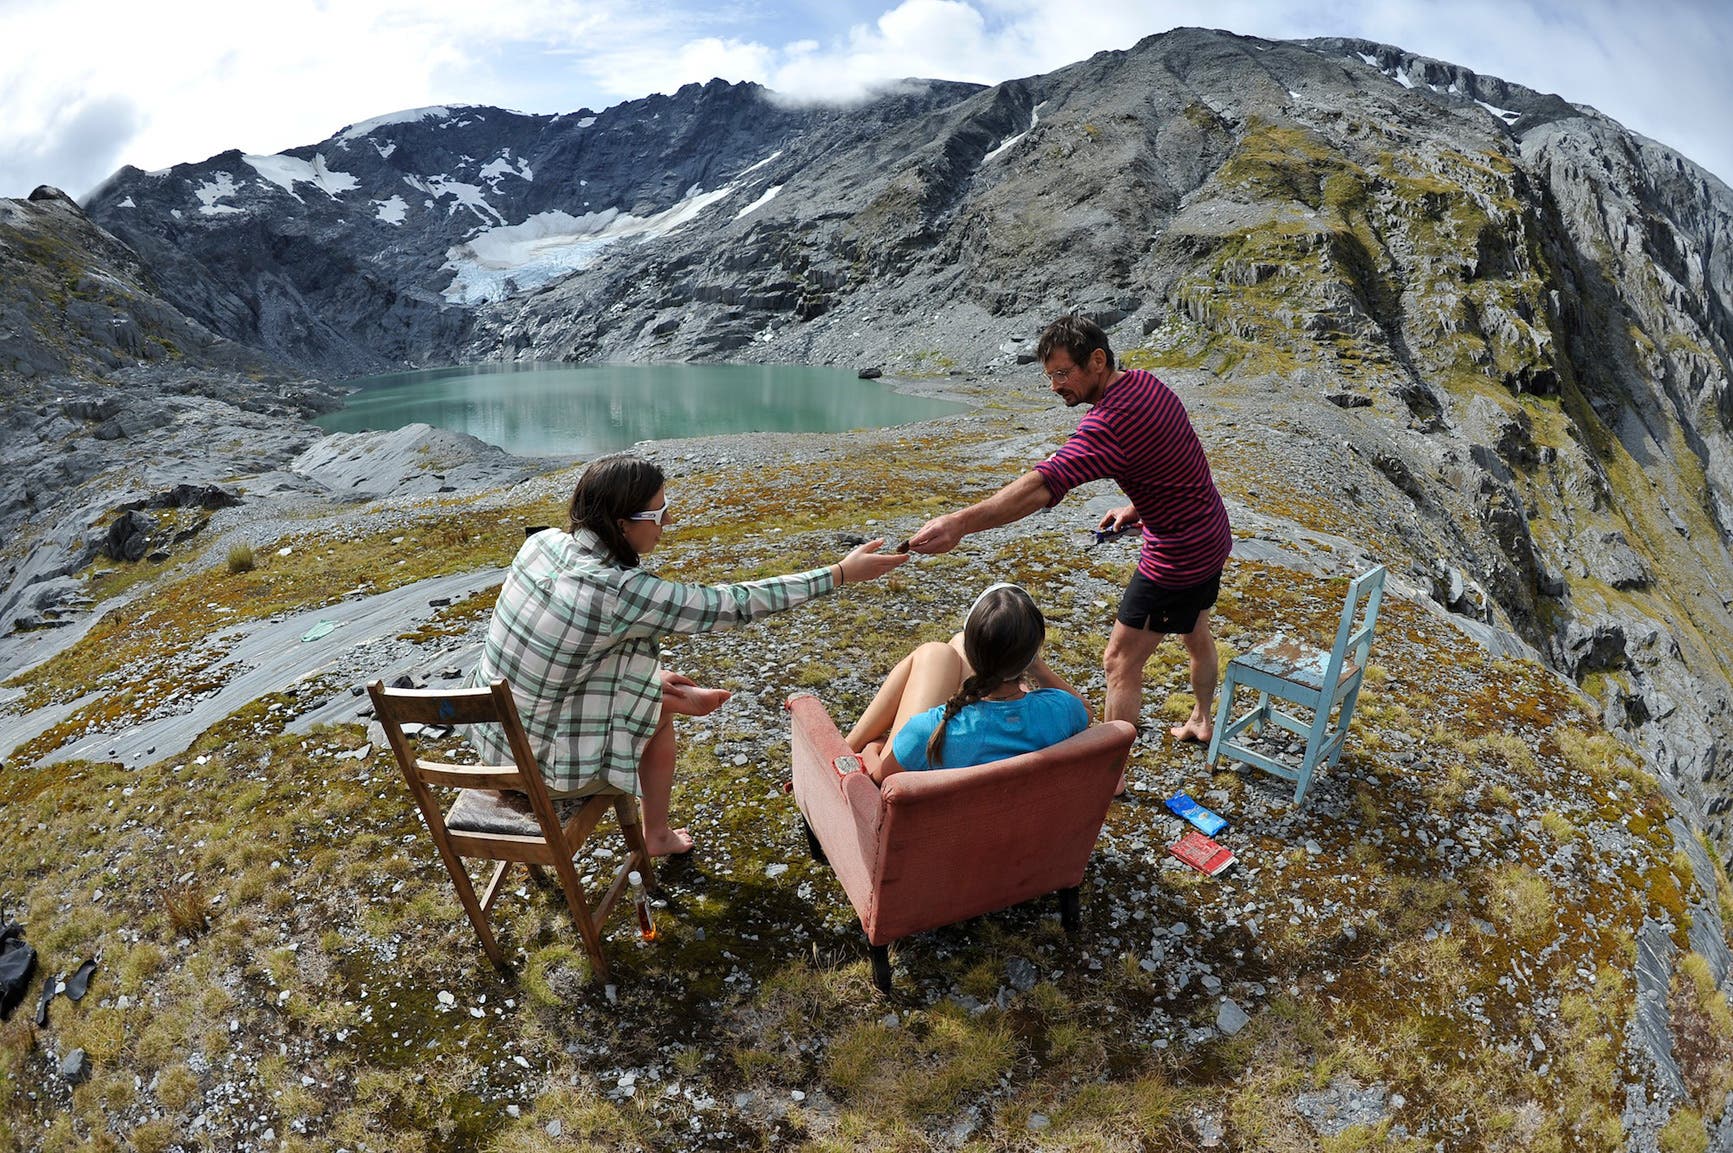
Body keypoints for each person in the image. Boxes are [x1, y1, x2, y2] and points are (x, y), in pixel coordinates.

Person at [468, 452, 907, 855]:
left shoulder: (541, 543)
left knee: (646, 683)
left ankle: (662, 691)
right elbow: (730, 604)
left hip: (493, 738)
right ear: (621, 524)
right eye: (657, 514)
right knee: (657, 715)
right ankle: (657, 831)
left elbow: (568, 651)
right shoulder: (619, 591)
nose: (668, 520)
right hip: (538, 770)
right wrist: (840, 573)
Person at [906, 315, 1232, 789]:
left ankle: (1109, 776)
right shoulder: (1145, 384)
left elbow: (1042, 485)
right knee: (1195, 629)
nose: (1055, 386)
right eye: (1050, 376)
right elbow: (1171, 458)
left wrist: (960, 523)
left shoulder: (1110, 422)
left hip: (1176, 556)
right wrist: (1138, 508)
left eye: (1063, 373)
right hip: (1212, 534)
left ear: (1097, 360)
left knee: (1120, 662)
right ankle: (1202, 718)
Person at [845, 582, 1091, 782]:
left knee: (935, 653)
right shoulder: (1060, 711)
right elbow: (1086, 711)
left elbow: (881, 780)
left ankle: (844, 748)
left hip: (929, 825)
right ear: (1031, 655)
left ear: (970, 652)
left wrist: (872, 750)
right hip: (1022, 825)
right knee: (941, 653)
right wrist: (1037, 666)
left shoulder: (927, 732)